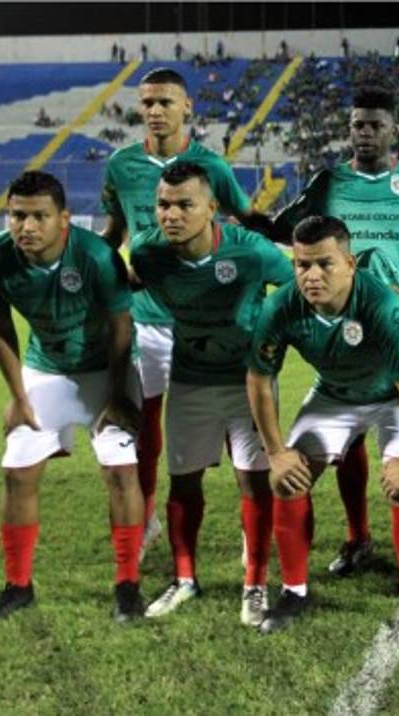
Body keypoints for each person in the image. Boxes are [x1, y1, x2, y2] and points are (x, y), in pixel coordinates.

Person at [272, 84, 399, 579]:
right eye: (358, 125)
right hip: (336, 322)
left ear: (394, 129)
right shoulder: (329, 181)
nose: (366, 134)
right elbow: (284, 227)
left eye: (376, 125)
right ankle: (358, 538)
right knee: (347, 443)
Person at [101, 67, 274, 562]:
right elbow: (116, 232)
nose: (155, 111)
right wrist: (102, 270)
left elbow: (245, 224)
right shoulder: (122, 165)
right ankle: (149, 519)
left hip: (212, 317)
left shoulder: (212, 167)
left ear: (187, 108)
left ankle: (251, 536)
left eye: (165, 103)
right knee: (148, 426)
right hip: (150, 318)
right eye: (148, 102)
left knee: (236, 426)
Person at [247, 216, 399, 640]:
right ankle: (294, 591)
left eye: (324, 265)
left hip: (393, 396)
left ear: (350, 264)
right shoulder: (280, 307)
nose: (311, 275)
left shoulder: (383, 306)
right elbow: (259, 379)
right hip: (334, 395)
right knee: (288, 480)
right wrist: (276, 453)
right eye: (301, 265)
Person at [0, 171, 145, 624]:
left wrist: (117, 396)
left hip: (105, 368)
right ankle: (18, 586)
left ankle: (128, 586)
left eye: (38, 216)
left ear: (63, 219)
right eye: (16, 216)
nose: (26, 226)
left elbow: (121, 328)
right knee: (17, 472)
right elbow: (0, 328)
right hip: (45, 369)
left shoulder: (94, 255)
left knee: (121, 471)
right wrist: (18, 396)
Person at [129, 162, 293, 627]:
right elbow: (135, 282)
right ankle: (184, 579)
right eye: (164, 205)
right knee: (183, 481)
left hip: (248, 384)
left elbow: (298, 288)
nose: (171, 214)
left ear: (212, 209)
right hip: (190, 380)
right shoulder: (147, 253)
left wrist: (270, 335)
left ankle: (256, 585)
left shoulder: (252, 252)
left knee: (254, 480)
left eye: (185, 205)